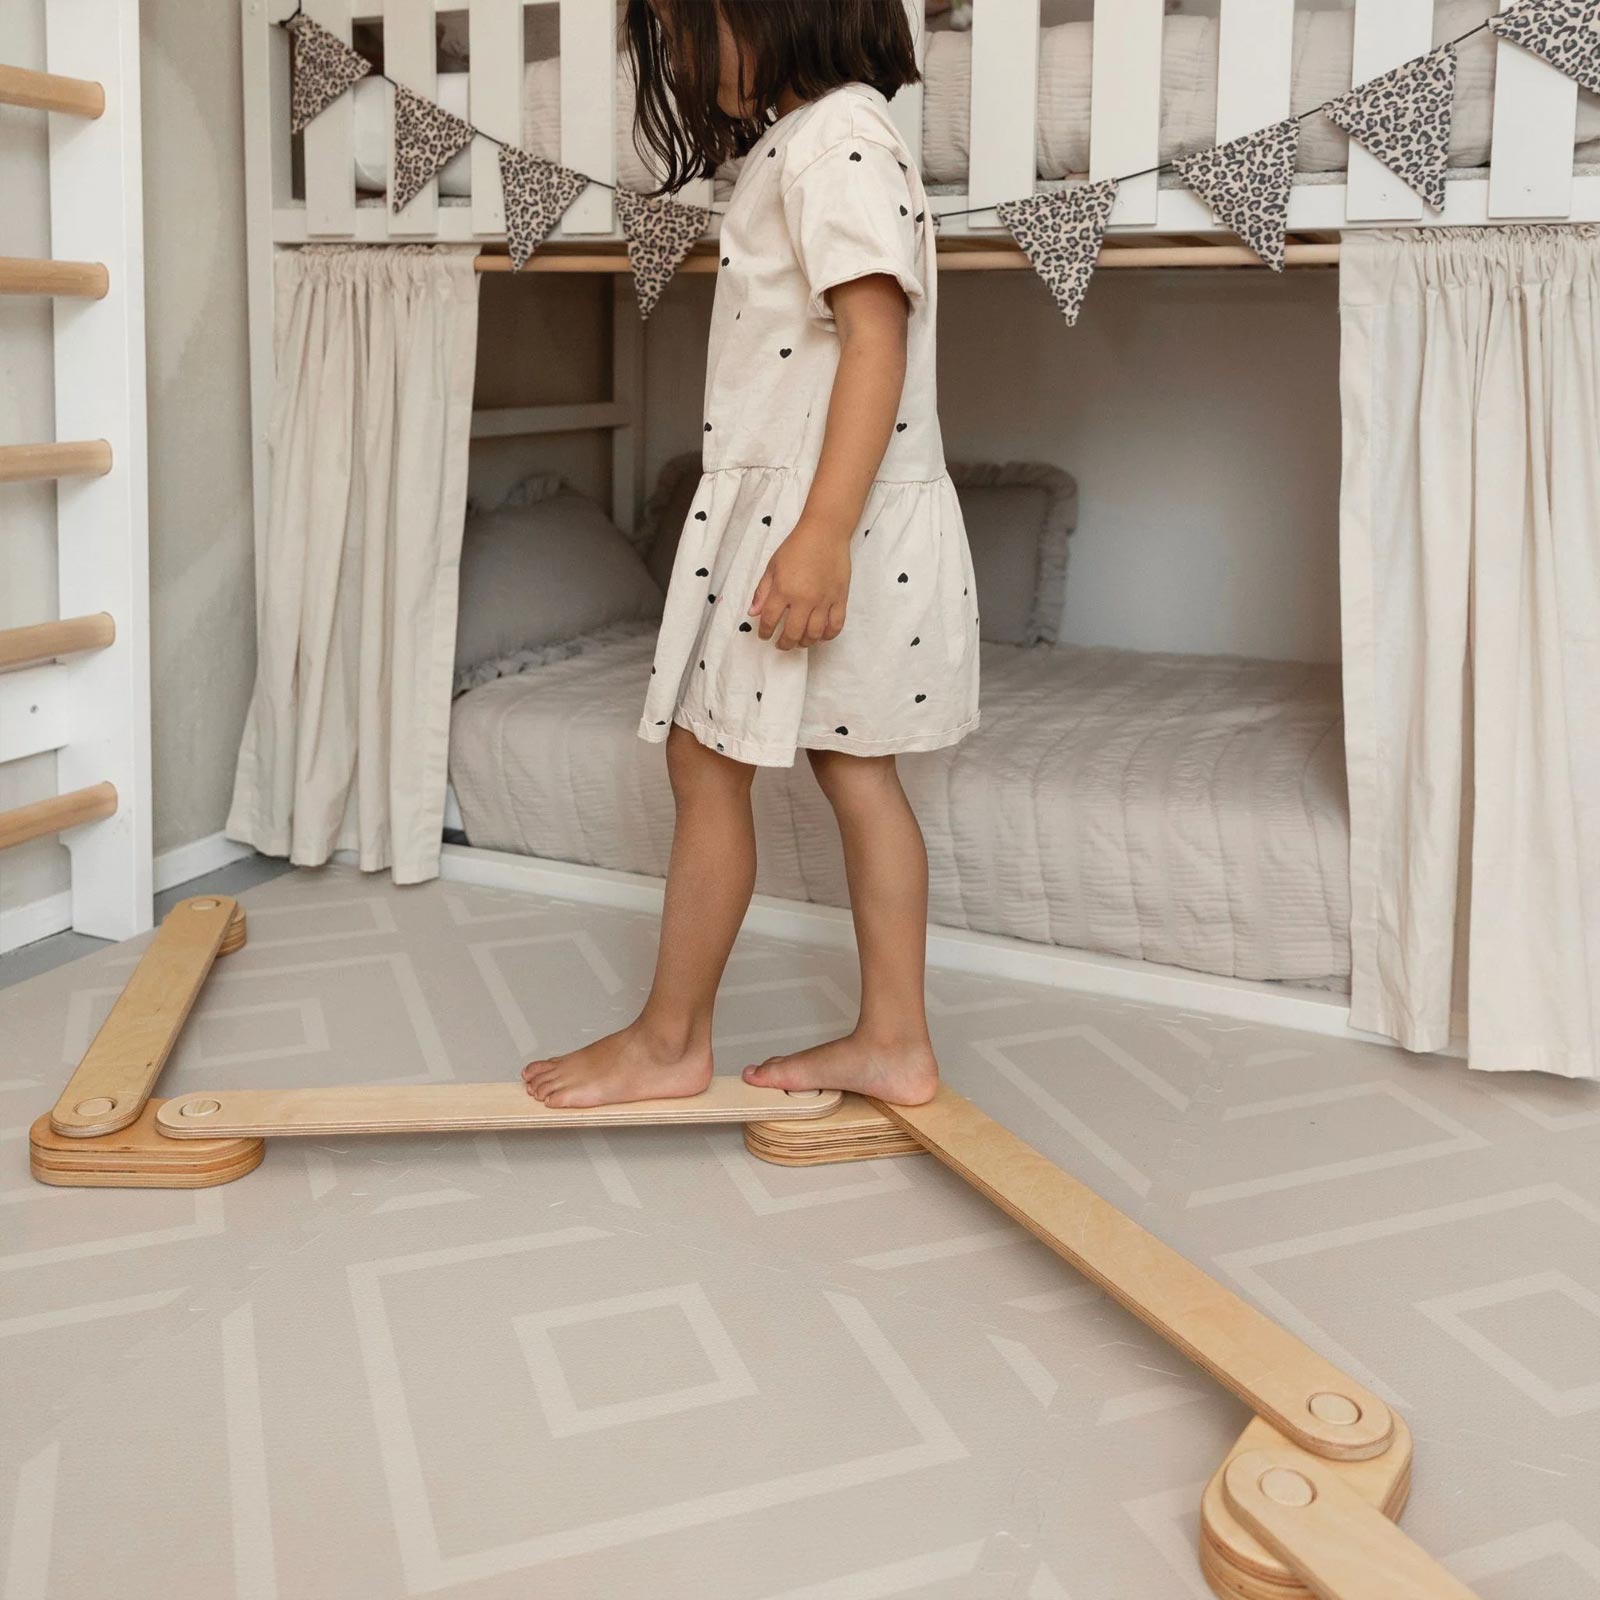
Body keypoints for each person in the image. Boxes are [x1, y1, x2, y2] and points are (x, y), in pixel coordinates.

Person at [523, 0, 979, 1109]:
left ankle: (670, 1040)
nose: (680, 56)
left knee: (706, 757)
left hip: (821, 520)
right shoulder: (822, 136)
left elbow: (875, 339)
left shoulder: (833, 140)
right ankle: (894, 1040)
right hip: (831, 514)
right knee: (853, 769)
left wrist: (819, 535)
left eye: (692, 26)